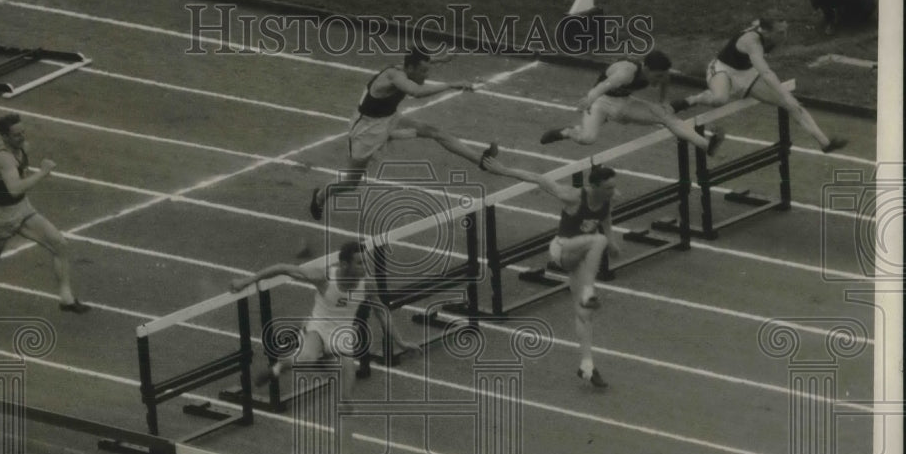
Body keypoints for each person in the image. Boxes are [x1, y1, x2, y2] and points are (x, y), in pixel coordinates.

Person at [230, 240, 420, 454]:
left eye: (366, 261)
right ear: (344, 264)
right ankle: (279, 367)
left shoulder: (367, 285)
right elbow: (282, 267)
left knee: (346, 402)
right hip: (318, 328)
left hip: (342, 337)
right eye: (360, 263)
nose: (365, 266)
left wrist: (401, 342)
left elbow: (382, 312)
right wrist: (245, 282)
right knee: (307, 358)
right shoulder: (324, 278)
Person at [310, 48, 498, 220]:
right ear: (410, 68)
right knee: (351, 183)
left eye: (427, 69)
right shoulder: (394, 76)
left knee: (434, 131)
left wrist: (441, 58)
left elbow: (422, 61)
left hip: (390, 120)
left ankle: (480, 160)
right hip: (366, 132)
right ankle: (319, 197)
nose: (427, 74)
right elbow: (415, 92)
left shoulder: (409, 67)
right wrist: (451, 84)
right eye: (423, 71)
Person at [482, 157, 618, 389]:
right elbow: (538, 179)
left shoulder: (607, 199)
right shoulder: (573, 196)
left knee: (584, 314)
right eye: (608, 188)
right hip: (562, 249)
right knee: (598, 240)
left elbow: (605, 218)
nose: (613, 192)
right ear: (593, 187)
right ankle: (588, 291)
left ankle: (587, 366)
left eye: (613, 187)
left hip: (581, 255)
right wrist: (504, 169)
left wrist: (613, 242)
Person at [0, 113, 90, 314]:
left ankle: (66, 298)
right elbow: (14, 188)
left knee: (59, 243)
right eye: (16, 134)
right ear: (5, 137)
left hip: (22, 209)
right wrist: (42, 172)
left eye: (23, 132)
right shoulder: (4, 157)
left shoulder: (20, 148)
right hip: (1, 217)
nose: (21, 137)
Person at [670, 17, 848, 153]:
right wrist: (785, 94)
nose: (784, 36)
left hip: (746, 73)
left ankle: (825, 143)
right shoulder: (752, 42)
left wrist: (788, 99)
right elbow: (766, 73)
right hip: (722, 69)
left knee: (791, 104)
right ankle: (692, 99)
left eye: (785, 31)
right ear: (767, 32)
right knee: (720, 98)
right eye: (779, 33)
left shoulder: (765, 28)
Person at [539, 51, 725, 156]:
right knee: (588, 139)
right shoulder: (626, 72)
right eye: (656, 76)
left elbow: (667, 81)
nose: (659, 80)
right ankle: (567, 132)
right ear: (646, 69)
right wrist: (590, 98)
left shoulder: (661, 73)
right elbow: (602, 87)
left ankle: (706, 145)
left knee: (667, 117)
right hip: (600, 104)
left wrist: (664, 101)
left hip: (625, 103)